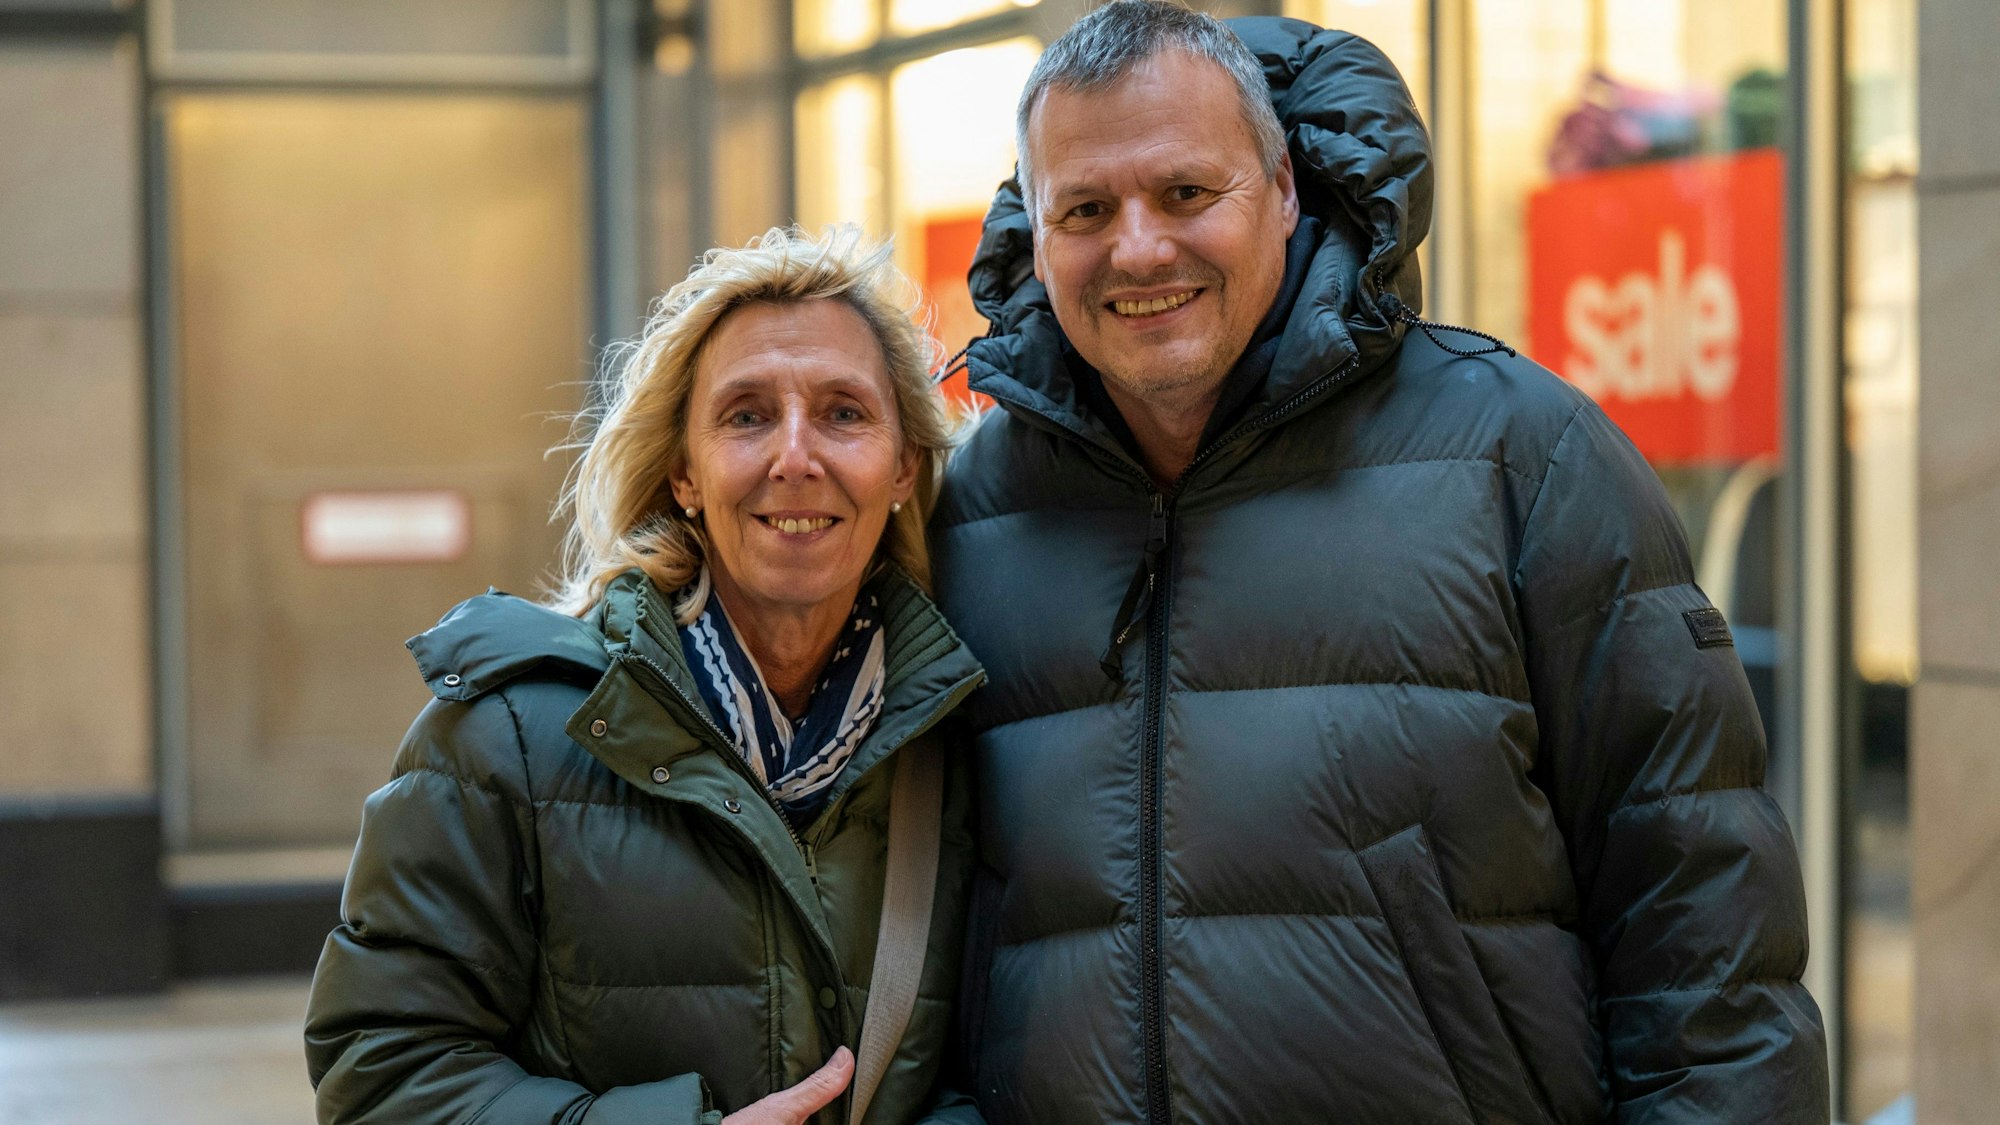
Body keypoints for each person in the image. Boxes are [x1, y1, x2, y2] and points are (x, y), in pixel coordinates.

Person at [928, 3, 1829, 1122]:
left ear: (1285, 188)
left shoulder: (1519, 456)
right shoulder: (970, 513)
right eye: (1085, 209)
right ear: (1033, 228)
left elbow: (1702, 926)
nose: (1138, 247)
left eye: (1185, 193)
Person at [305, 226, 985, 1125]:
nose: (795, 456)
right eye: (746, 415)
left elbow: (1007, 1060)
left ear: (902, 467)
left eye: (843, 412)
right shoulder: (505, 733)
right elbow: (378, 1070)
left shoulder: (961, 738)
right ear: (684, 474)